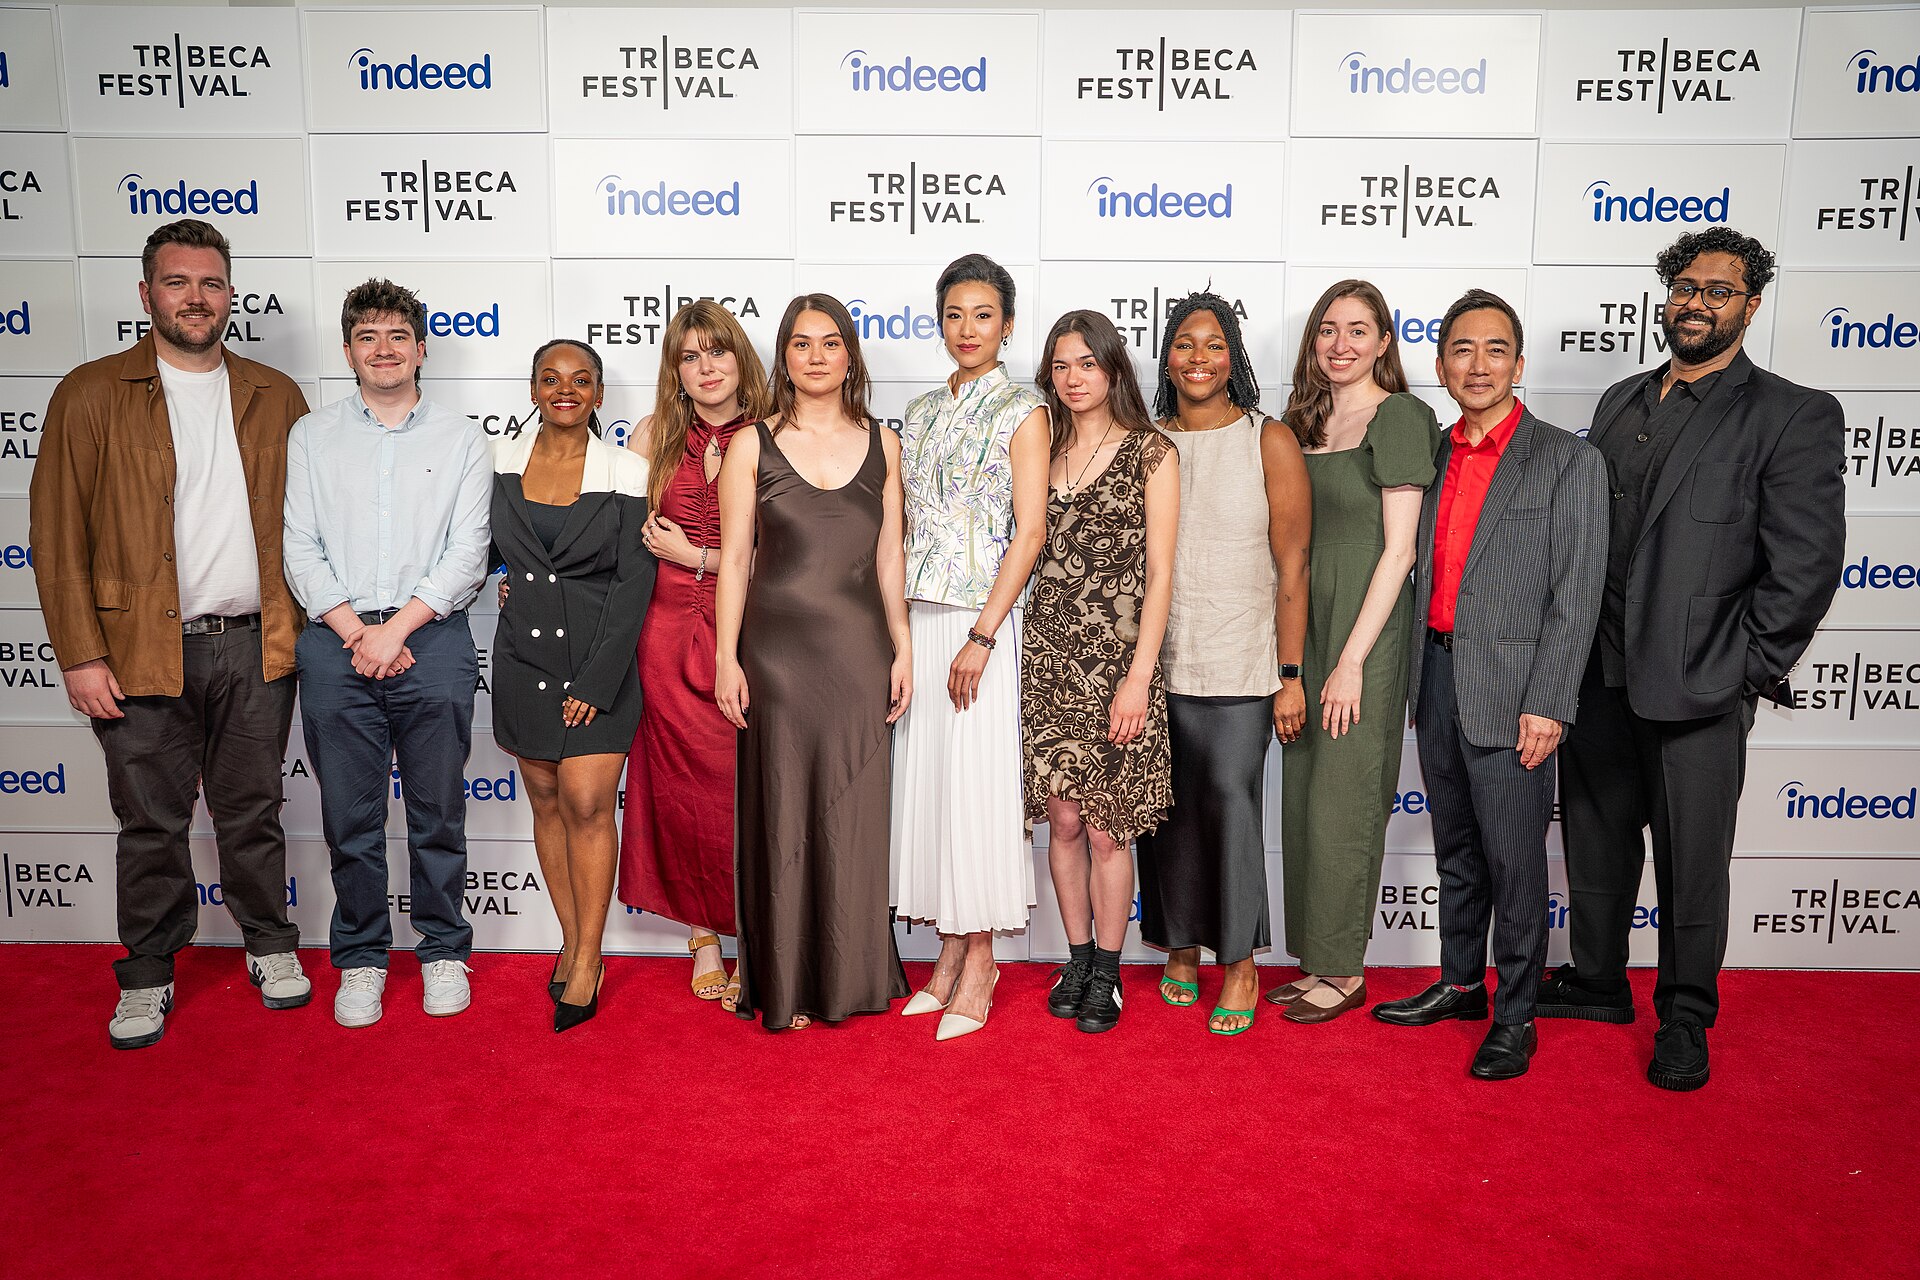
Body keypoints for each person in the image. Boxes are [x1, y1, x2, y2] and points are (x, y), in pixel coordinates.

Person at [1545, 229, 1847, 1091]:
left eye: (1720, 290)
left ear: (1751, 306)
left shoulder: (1792, 412)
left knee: (1692, 861)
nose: (1697, 302)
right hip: (1598, 675)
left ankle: (1685, 1014)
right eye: (1686, 286)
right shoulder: (1619, 400)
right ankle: (1600, 981)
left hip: (1702, 684)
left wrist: (1746, 669)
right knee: (1598, 846)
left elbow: (1806, 565)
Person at [29, 219, 313, 1049]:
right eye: (179, 282)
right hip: (136, 650)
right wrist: (79, 652)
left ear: (231, 295)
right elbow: (56, 534)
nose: (197, 297)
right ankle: (149, 972)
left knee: (253, 811)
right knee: (150, 820)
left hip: (258, 645)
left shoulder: (276, 393)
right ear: (146, 293)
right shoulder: (89, 392)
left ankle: (269, 944)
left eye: (212, 283)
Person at [1371, 290, 1608, 1080]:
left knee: (1514, 860)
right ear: (1440, 364)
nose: (1478, 365)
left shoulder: (1569, 460)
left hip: (1516, 693)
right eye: (1462, 351)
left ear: (1518, 361)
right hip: (1434, 675)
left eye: (1495, 349)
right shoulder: (1429, 454)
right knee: (1457, 850)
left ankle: (1516, 1015)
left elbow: (1577, 594)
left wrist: (1550, 700)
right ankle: (1460, 982)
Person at [284, 278, 492, 1030]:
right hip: (337, 645)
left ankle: (442, 951)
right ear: (347, 352)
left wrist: (396, 631)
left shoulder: (463, 438)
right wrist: (355, 633)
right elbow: (299, 548)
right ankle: (364, 959)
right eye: (367, 337)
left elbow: (469, 553)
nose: (383, 349)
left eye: (396, 335)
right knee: (351, 819)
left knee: (438, 812)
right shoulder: (312, 436)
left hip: (430, 640)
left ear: (420, 348)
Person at [714, 294, 913, 1031]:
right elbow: (736, 559)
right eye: (802, 344)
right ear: (784, 357)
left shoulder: (884, 444)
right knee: (783, 813)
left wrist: (902, 644)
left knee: (852, 813)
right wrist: (727, 658)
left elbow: (890, 557)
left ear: (850, 355)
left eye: (831, 343)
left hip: (860, 654)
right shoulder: (750, 444)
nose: (818, 356)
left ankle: (851, 972)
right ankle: (786, 980)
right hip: (776, 657)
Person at [1135, 291, 1310, 1037]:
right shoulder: (1144, 440)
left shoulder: (1267, 439)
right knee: (1164, 809)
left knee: (1231, 804)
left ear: (1232, 355)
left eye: (1213, 344)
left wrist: (1292, 674)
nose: (1198, 358)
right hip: (1158, 661)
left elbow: (1293, 564)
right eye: (1183, 343)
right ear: (1165, 356)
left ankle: (1238, 959)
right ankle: (1180, 945)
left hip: (1242, 662)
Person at [1269, 280, 1439, 1024]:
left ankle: (1344, 970)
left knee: (1346, 799)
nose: (1341, 345)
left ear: (1384, 342)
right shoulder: (1300, 421)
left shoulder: (1399, 416)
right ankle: (1315, 957)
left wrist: (1349, 662)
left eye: (1358, 330)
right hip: (1304, 622)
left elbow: (1400, 549)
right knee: (1305, 795)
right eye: (1328, 331)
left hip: (1361, 628)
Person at [890, 254, 1050, 1042]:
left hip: (982, 623)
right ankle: (948, 953)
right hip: (921, 618)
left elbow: (1031, 531)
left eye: (983, 315)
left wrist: (984, 635)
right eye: (954, 314)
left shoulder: (1024, 408)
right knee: (936, 789)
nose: (967, 329)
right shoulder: (917, 413)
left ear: (1007, 324)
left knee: (979, 791)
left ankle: (981, 959)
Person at [491, 339, 655, 1032]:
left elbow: (634, 581)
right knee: (548, 799)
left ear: (597, 395)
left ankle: (589, 957)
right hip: (523, 661)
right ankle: (570, 935)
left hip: (599, 664)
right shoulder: (499, 463)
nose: (566, 389)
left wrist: (597, 677)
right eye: (551, 378)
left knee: (589, 803)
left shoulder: (625, 469)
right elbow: (492, 551)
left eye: (581, 380)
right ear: (532, 390)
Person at [1025, 310, 1179, 1036]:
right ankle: (1078, 958)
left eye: (1087, 362)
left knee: (1109, 831)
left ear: (1114, 369)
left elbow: (1161, 573)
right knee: (1062, 820)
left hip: (1119, 663)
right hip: (1050, 659)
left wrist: (1138, 678)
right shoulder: (1042, 446)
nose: (1073, 377)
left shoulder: (1153, 453)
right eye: (1061, 365)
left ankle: (1110, 973)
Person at [618, 302, 771, 1009]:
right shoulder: (654, 434)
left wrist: (699, 555)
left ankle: (751, 931)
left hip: (749, 627)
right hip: (665, 629)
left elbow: (795, 551)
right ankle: (705, 933)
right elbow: (622, 539)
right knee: (679, 786)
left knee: (741, 785)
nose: (706, 368)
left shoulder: (776, 435)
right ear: (675, 370)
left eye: (717, 352)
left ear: (740, 359)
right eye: (690, 356)